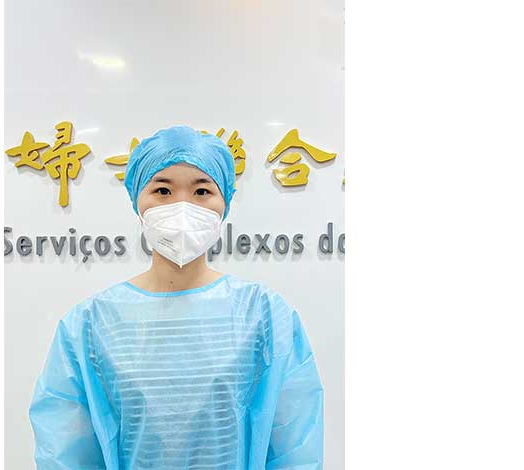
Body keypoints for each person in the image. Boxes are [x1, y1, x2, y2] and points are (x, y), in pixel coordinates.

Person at [28, 125, 324, 469]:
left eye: (201, 191)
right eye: (163, 190)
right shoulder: (90, 325)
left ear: (224, 203)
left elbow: (295, 449)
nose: (182, 206)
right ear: (138, 201)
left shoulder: (265, 316)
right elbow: (65, 453)